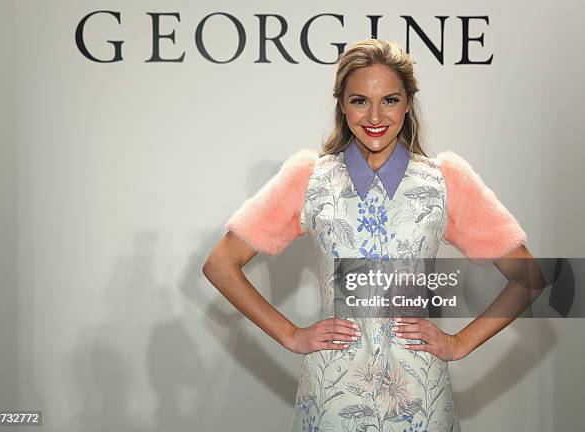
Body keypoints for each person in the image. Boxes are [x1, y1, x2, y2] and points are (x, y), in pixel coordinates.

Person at [202, 39, 536, 432]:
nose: (375, 115)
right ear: (341, 105)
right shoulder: (309, 178)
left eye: (390, 100)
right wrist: (290, 334)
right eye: (360, 100)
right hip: (332, 395)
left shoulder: (444, 180)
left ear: (408, 102)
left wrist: (459, 343)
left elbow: (529, 278)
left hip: (420, 396)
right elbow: (220, 265)